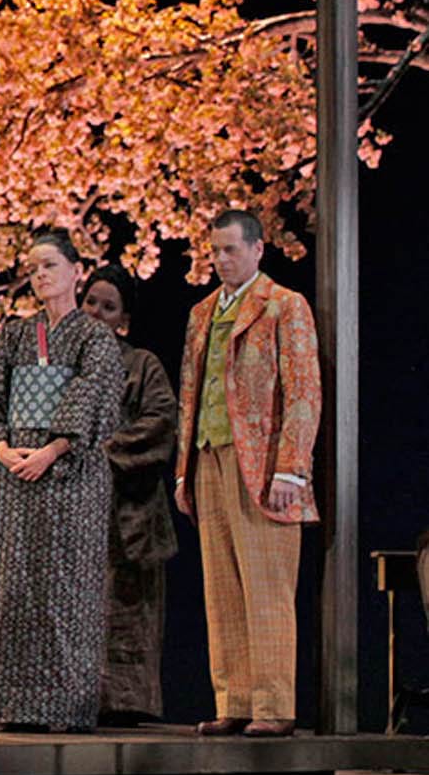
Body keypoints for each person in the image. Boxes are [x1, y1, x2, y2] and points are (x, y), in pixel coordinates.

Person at [175, 210, 321, 738]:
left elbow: (304, 392)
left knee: (267, 586)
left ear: (258, 250)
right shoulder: (202, 313)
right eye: (214, 251)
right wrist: (182, 472)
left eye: (231, 250)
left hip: (261, 464)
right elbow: (190, 395)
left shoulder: (284, 305)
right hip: (209, 457)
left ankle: (273, 705)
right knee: (222, 587)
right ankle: (234, 698)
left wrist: (292, 470)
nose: (220, 260)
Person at [0, 229, 124, 732]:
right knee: (12, 588)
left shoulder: (94, 337)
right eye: (34, 268)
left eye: (50, 265)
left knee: (65, 589)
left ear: (77, 271)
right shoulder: (14, 335)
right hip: (16, 471)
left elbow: (91, 395)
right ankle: (8, 705)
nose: (40, 276)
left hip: (70, 476)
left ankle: (64, 708)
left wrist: (54, 449)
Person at [79, 263, 179, 727]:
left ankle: (125, 704)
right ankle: (76, 697)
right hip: (77, 507)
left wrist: (104, 452)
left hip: (128, 510)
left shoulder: (142, 364)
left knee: (126, 609)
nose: (96, 312)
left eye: (108, 306)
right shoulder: (66, 364)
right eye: (90, 302)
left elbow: (160, 421)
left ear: (124, 319)